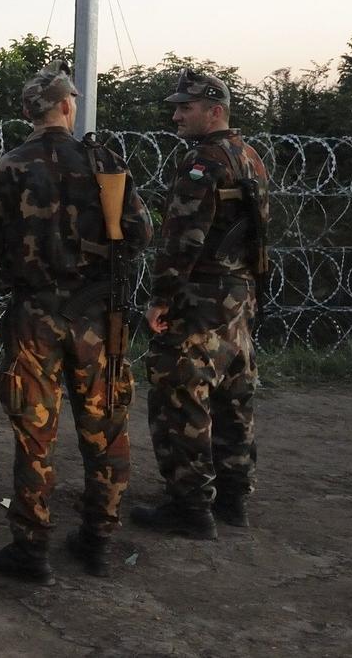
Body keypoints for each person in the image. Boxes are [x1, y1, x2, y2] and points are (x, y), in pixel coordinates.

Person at [0, 64, 154, 584]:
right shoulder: (104, 161)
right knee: (107, 430)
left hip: (33, 317)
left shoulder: (11, 166)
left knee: (34, 434)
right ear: (68, 106)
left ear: (30, 112)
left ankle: (31, 549)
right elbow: (139, 234)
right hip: (98, 318)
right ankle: (99, 541)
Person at [132, 70, 270, 538]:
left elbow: (183, 237)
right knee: (234, 395)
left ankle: (190, 505)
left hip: (200, 297)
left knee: (181, 396)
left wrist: (162, 297)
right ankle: (234, 496)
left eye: (184, 108)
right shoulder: (251, 157)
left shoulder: (203, 161)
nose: (175, 115)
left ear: (214, 111)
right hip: (239, 294)